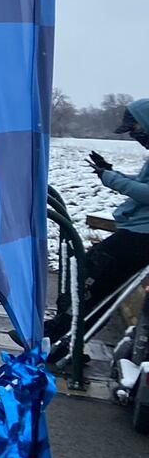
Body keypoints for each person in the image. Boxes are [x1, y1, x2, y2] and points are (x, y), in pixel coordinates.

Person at [47, 100, 149, 352]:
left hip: (142, 236)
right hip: (137, 232)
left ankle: (65, 340)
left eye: (135, 127)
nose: (134, 135)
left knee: (95, 278)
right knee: (92, 276)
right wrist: (110, 171)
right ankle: (61, 331)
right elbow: (140, 183)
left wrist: (110, 178)